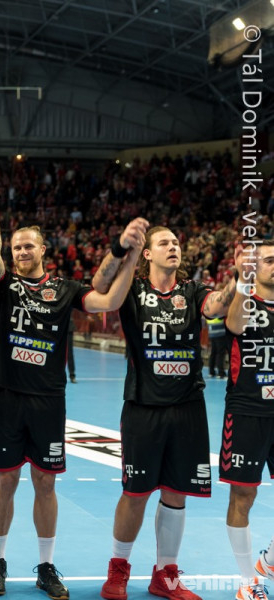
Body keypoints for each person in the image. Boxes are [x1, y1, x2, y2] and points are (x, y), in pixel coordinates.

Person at [0, 218, 148, 600]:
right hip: (7, 397)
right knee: (5, 481)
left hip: (49, 400)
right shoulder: (3, 286)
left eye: (29, 246)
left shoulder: (64, 288)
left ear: (43, 250)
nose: (22, 252)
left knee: (45, 483)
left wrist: (131, 254)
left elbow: (109, 300)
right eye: (16, 247)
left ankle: (45, 567)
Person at [98, 226, 237, 600]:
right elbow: (101, 286)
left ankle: (166, 574)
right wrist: (122, 249)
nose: (173, 246)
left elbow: (217, 307)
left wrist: (239, 277)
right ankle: (118, 569)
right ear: (148, 253)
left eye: (176, 242)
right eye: (164, 242)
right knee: (136, 493)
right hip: (143, 407)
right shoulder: (132, 289)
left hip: (187, 407)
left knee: (177, 493)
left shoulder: (192, 291)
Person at [218, 241, 274, 600]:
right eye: (269, 260)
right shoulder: (246, 301)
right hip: (247, 410)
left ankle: (268, 561)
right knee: (243, 495)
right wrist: (242, 278)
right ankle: (247, 581)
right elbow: (234, 324)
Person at [205, 314, 226, 379]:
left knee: (213, 353)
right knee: (220, 354)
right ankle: (221, 373)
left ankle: (211, 372)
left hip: (212, 334)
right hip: (220, 334)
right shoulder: (219, 313)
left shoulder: (209, 313)